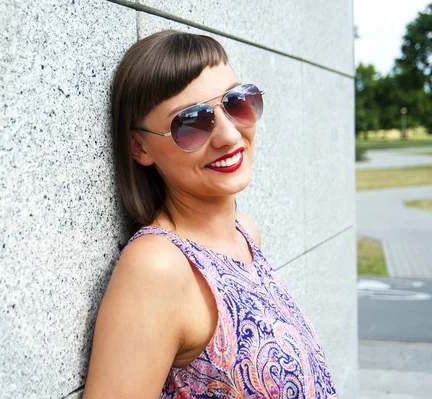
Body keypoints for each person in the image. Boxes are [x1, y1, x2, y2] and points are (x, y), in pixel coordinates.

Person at [83, 30, 337, 398]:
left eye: (237, 102)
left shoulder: (245, 234)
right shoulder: (158, 266)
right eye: (191, 123)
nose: (230, 135)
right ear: (140, 147)